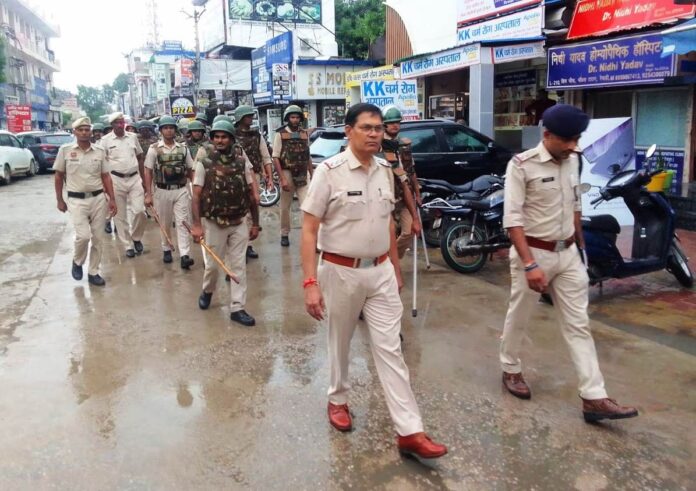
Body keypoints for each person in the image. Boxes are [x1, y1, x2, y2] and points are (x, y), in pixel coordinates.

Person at [300, 103, 447, 459]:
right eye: (366, 128)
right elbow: (308, 229)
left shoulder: (385, 170)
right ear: (348, 131)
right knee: (341, 341)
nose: (374, 134)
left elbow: (387, 222)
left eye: (379, 129)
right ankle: (338, 399)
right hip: (340, 271)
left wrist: (394, 266)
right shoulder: (329, 173)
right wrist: (310, 283)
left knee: (391, 350)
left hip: (380, 270)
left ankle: (410, 431)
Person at [500, 104, 638, 423]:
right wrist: (530, 265)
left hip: (568, 255)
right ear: (547, 135)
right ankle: (510, 368)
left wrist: (580, 244)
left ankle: (594, 397)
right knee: (519, 315)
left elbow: (574, 202)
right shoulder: (521, 165)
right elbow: (513, 220)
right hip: (533, 254)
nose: (574, 145)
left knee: (578, 324)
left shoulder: (572, 160)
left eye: (577, 139)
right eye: (568, 140)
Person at [190, 120, 261, 327]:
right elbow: (196, 196)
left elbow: (251, 195)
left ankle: (237, 307)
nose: (220, 140)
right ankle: (208, 290)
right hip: (214, 223)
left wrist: (255, 223)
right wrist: (197, 225)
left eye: (224, 136)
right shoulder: (205, 163)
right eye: (216, 137)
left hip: (238, 222)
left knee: (238, 265)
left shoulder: (242, 163)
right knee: (212, 266)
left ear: (231, 139)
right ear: (212, 139)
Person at [52, 117, 117, 286]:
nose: (84, 132)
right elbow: (58, 176)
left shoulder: (99, 151)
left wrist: (112, 199)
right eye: (80, 129)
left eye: (87, 129)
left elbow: (106, 176)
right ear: (74, 132)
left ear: (91, 131)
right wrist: (59, 199)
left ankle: (93, 272)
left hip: (98, 199)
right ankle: (77, 261)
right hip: (76, 200)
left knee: (98, 238)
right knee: (83, 236)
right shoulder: (65, 150)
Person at [143, 115, 195, 269]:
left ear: (175, 130)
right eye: (165, 128)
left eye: (171, 127)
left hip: (180, 190)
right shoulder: (154, 149)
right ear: (161, 131)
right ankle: (166, 248)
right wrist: (148, 193)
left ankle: (185, 254)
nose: (169, 130)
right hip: (162, 190)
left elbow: (190, 169)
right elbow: (148, 171)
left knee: (183, 222)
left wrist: (196, 187)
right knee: (164, 222)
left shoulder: (183, 149)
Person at [101, 112, 146, 258]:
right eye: (117, 123)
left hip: (134, 178)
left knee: (140, 211)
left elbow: (140, 157)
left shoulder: (132, 137)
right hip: (115, 179)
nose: (120, 125)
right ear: (112, 125)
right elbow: (101, 164)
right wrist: (104, 186)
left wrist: (144, 180)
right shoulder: (105, 141)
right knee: (119, 216)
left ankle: (136, 237)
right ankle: (127, 245)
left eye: (122, 122)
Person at [381, 107, 422, 259]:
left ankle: (391, 260)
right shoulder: (378, 145)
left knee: (409, 230)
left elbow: (411, 171)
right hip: (387, 196)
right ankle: (388, 263)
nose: (395, 126)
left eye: (397, 122)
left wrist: (417, 193)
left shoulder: (404, 144)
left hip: (406, 194)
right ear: (384, 125)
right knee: (386, 235)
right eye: (391, 123)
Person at [234, 105, 274, 259]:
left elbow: (265, 156)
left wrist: (269, 176)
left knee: (251, 210)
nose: (250, 119)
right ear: (240, 118)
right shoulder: (232, 135)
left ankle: (248, 245)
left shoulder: (256, 135)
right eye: (247, 116)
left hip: (254, 175)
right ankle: (239, 245)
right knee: (238, 211)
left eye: (251, 116)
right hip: (235, 176)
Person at [272, 105, 313, 248]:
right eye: (292, 117)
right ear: (288, 118)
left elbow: (308, 155)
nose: (295, 120)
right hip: (287, 172)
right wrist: (282, 178)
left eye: (297, 117)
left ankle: (309, 235)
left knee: (308, 207)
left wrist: (312, 174)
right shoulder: (280, 134)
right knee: (285, 207)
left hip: (302, 174)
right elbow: (275, 157)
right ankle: (284, 233)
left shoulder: (304, 134)